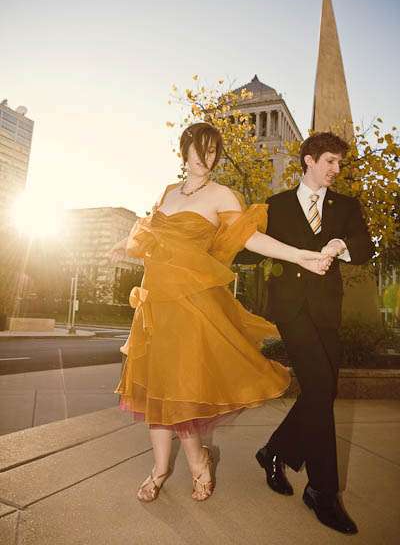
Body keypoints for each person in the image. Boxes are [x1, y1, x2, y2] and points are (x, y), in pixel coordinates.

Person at [110, 123, 333, 503]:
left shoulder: (221, 195)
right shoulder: (167, 192)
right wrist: (120, 244)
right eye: (200, 149)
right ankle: (161, 468)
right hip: (153, 305)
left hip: (191, 309)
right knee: (155, 391)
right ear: (184, 150)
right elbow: (150, 231)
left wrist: (299, 255)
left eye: (213, 151)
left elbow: (250, 237)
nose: (206, 158)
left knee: (179, 391)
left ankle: (196, 462)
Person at [235, 132, 374, 535]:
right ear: (309, 160)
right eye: (330, 161)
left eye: (339, 163)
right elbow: (249, 249)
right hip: (290, 310)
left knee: (322, 390)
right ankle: (322, 491)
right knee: (320, 388)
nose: (336, 169)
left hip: (327, 310)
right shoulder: (275, 205)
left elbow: (365, 248)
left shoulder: (346, 206)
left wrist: (341, 244)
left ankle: (274, 451)